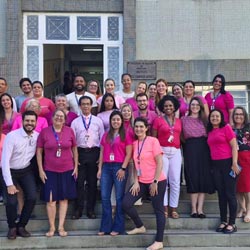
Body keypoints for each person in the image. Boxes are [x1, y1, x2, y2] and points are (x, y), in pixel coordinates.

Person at [122, 117, 166, 250]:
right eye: (136, 127)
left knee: (158, 210)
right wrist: (135, 181)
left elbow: (159, 163)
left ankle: (159, 241)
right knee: (126, 204)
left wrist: (155, 181)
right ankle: (140, 226)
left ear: (146, 128)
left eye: (141, 126)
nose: (139, 129)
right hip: (141, 181)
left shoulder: (153, 141)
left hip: (157, 181)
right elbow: (135, 165)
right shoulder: (135, 144)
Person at [37, 109, 78, 237]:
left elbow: (75, 149)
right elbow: (39, 152)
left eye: (62, 116)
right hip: (49, 170)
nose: (59, 118)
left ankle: (61, 227)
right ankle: (52, 227)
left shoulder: (70, 131)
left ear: (65, 119)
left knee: (64, 199)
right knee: (51, 200)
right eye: (57, 116)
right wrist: (40, 170)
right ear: (52, 118)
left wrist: (76, 166)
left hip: (67, 169)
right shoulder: (44, 132)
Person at [1, 110, 38, 239]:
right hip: (9, 170)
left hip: (25, 170)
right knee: (11, 202)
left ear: (36, 123)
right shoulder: (12, 136)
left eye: (32, 121)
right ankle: (12, 227)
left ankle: (21, 226)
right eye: (27, 120)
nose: (29, 123)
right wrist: (10, 184)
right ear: (22, 121)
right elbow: (4, 161)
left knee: (32, 197)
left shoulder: (37, 136)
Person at [97, 110, 132, 236]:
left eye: (118, 119)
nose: (116, 121)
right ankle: (105, 226)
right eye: (113, 119)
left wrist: (123, 168)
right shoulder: (106, 134)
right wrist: (100, 169)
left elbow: (129, 154)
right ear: (110, 121)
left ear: (121, 121)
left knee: (119, 197)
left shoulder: (126, 135)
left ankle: (118, 226)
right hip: (106, 167)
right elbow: (101, 153)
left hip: (119, 167)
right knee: (105, 197)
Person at [71, 96, 104, 219]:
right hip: (80, 153)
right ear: (80, 106)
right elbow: (73, 142)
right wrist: (75, 158)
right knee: (79, 183)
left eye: (88, 104)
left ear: (91, 106)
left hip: (94, 153)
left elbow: (102, 140)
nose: (85, 106)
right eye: (83, 104)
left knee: (92, 183)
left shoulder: (97, 121)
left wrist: (99, 157)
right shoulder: (75, 122)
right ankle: (78, 209)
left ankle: (90, 209)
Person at [181, 97, 214, 218]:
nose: (194, 107)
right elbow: (181, 136)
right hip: (190, 148)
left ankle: (200, 209)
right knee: (192, 176)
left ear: (200, 107)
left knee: (203, 177)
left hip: (204, 149)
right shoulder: (183, 119)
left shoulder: (205, 120)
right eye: (192, 104)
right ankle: (193, 209)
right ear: (189, 106)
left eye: (197, 105)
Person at [207, 109, 238, 234]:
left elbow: (234, 146)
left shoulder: (226, 128)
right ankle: (223, 220)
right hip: (216, 165)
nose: (214, 118)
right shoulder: (209, 131)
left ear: (221, 118)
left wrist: (234, 163)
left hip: (228, 164)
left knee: (230, 194)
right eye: (212, 116)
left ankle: (232, 223)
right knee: (221, 195)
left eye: (217, 116)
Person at [152, 95, 182, 219]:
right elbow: (154, 138)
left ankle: (173, 208)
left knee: (175, 181)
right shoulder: (158, 120)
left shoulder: (179, 121)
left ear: (174, 107)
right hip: (162, 151)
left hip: (176, 151)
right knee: (162, 181)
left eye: (170, 105)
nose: (168, 108)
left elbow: (182, 136)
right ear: (162, 108)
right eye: (166, 106)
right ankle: (163, 207)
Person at [232, 106, 250, 222]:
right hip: (234, 158)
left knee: (247, 187)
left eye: (241, 114)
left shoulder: (248, 128)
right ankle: (242, 208)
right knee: (237, 187)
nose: (238, 116)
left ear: (244, 116)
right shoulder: (230, 129)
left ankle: (248, 211)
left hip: (247, 157)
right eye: (236, 114)